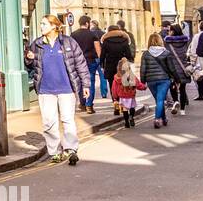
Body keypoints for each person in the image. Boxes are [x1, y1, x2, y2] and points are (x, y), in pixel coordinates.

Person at [25, 14, 90, 165]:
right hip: (45, 90)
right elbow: (30, 66)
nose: (41, 26)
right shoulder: (38, 44)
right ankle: (54, 152)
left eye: (44, 24)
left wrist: (85, 85)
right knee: (49, 122)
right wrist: (28, 58)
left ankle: (71, 149)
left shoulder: (68, 42)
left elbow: (80, 63)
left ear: (54, 26)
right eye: (41, 24)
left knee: (67, 120)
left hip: (67, 89)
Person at [140, 32, 189, 129]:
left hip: (151, 80)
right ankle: (157, 119)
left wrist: (143, 81)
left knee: (159, 100)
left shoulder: (145, 54)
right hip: (164, 80)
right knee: (160, 100)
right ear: (160, 41)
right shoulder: (166, 53)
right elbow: (172, 69)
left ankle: (164, 118)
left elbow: (143, 69)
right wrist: (177, 79)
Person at [100, 22, 135, 117]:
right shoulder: (124, 40)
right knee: (124, 84)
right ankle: (123, 104)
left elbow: (102, 55)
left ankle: (115, 103)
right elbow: (128, 54)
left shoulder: (106, 42)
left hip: (110, 66)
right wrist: (130, 61)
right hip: (122, 66)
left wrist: (102, 65)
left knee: (113, 86)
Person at [70, 15, 103, 113]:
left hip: (77, 62)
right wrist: (100, 61)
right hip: (90, 61)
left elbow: (71, 49)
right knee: (90, 83)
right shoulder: (92, 35)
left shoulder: (73, 35)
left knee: (80, 83)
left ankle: (82, 103)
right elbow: (98, 49)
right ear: (87, 23)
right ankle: (89, 105)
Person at [163, 23, 192, 115]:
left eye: (170, 30)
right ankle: (183, 110)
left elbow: (165, 54)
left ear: (172, 31)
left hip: (172, 68)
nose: (169, 32)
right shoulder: (185, 40)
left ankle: (176, 101)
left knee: (173, 87)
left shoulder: (167, 41)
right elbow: (187, 53)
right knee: (183, 89)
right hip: (183, 67)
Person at [111, 57, 146, 128]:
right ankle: (131, 117)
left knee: (125, 109)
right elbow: (138, 84)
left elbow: (114, 89)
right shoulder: (131, 76)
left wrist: (115, 97)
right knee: (132, 107)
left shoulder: (116, 77)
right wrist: (144, 87)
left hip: (122, 96)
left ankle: (126, 122)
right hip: (131, 95)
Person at [188, 21, 203, 101]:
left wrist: (192, 61)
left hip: (199, 60)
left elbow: (193, 50)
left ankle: (201, 94)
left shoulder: (196, 36)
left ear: (200, 27)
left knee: (200, 78)